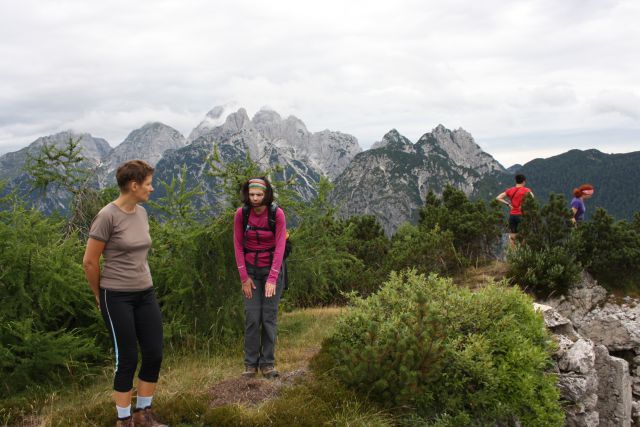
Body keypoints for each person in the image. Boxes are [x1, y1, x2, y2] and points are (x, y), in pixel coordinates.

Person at [83, 160, 166, 427]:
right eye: (148, 184)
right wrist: (100, 296)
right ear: (134, 185)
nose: (152, 189)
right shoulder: (107, 216)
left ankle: (143, 414)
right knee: (127, 358)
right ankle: (124, 420)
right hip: (116, 295)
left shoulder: (141, 213)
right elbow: (89, 262)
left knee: (154, 353)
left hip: (145, 292)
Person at [233, 177, 286, 379]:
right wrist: (244, 278)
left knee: (268, 318)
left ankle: (268, 364)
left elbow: (280, 246)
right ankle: (250, 364)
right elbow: (238, 245)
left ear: (266, 195)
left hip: (272, 270)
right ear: (247, 195)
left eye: (259, 195)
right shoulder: (241, 214)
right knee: (252, 318)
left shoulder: (277, 214)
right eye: (252, 195)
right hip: (251, 273)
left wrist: (272, 278)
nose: (255, 199)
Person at [496, 174, 534, 247]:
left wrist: (508, 204)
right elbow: (532, 198)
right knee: (523, 235)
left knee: (512, 236)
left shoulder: (510, 190)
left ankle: (513, 255)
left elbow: (498, 197)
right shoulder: (526, 190)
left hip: (512, 215)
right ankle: (523, 253)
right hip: (521, 215)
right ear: (524, 181)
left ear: (516, 181)